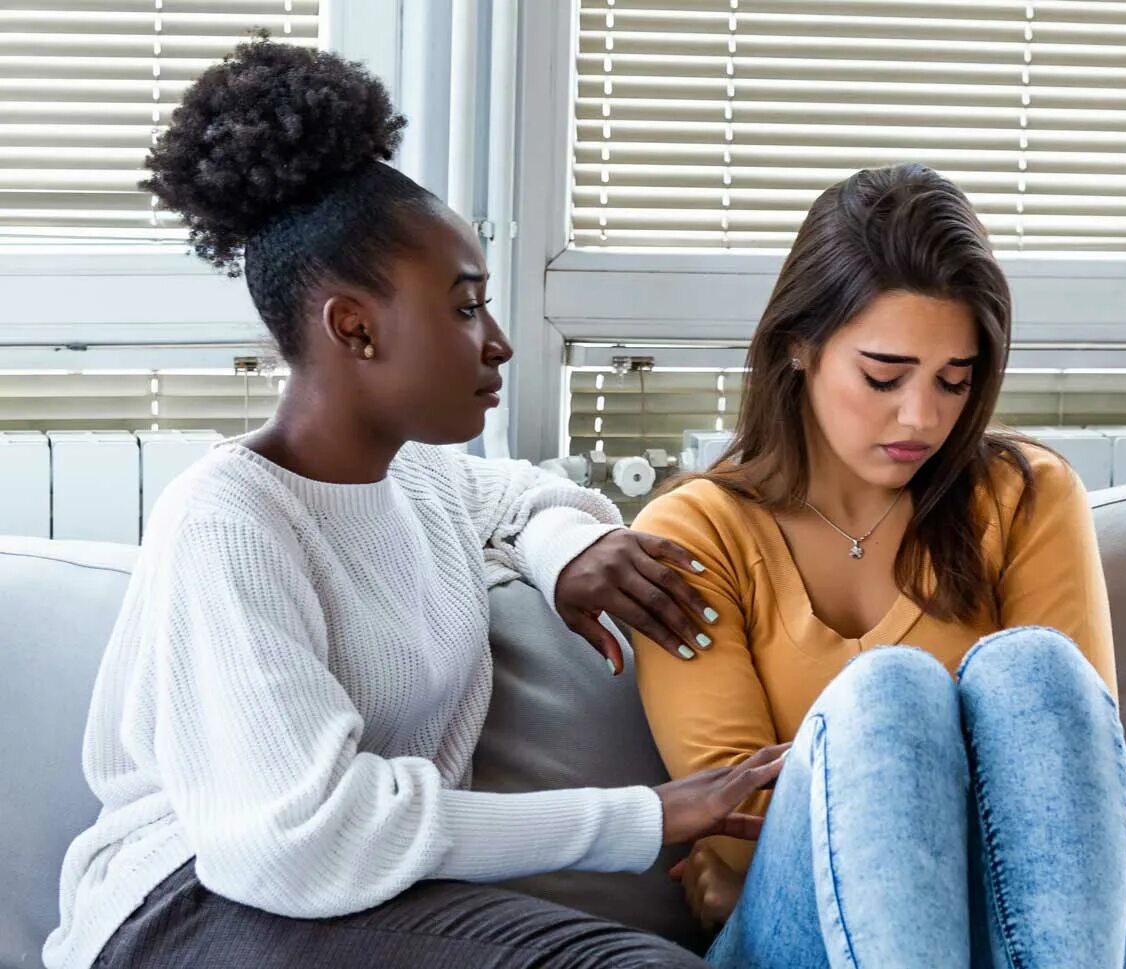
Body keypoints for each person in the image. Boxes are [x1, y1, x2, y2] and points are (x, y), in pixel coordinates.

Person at [44, 39, 786, 969]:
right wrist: (648, 816)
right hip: (186, 903)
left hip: (358, 900)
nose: (500, 343)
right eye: (467, 307)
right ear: (353, 326)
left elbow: (521, 494)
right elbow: (299, 837)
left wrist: (567, 551)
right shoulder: (228, 520)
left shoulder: (417, 480)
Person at [630, 164, 1126, 968]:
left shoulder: (1027, 496)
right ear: (798, 347)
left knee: (1038, 671)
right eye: (884, 376)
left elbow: (1069, 794)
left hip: (1036, 935)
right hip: (805, 934)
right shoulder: (697, 530)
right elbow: (740, 834)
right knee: (890, 691)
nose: (923, 417)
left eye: (955, 381)